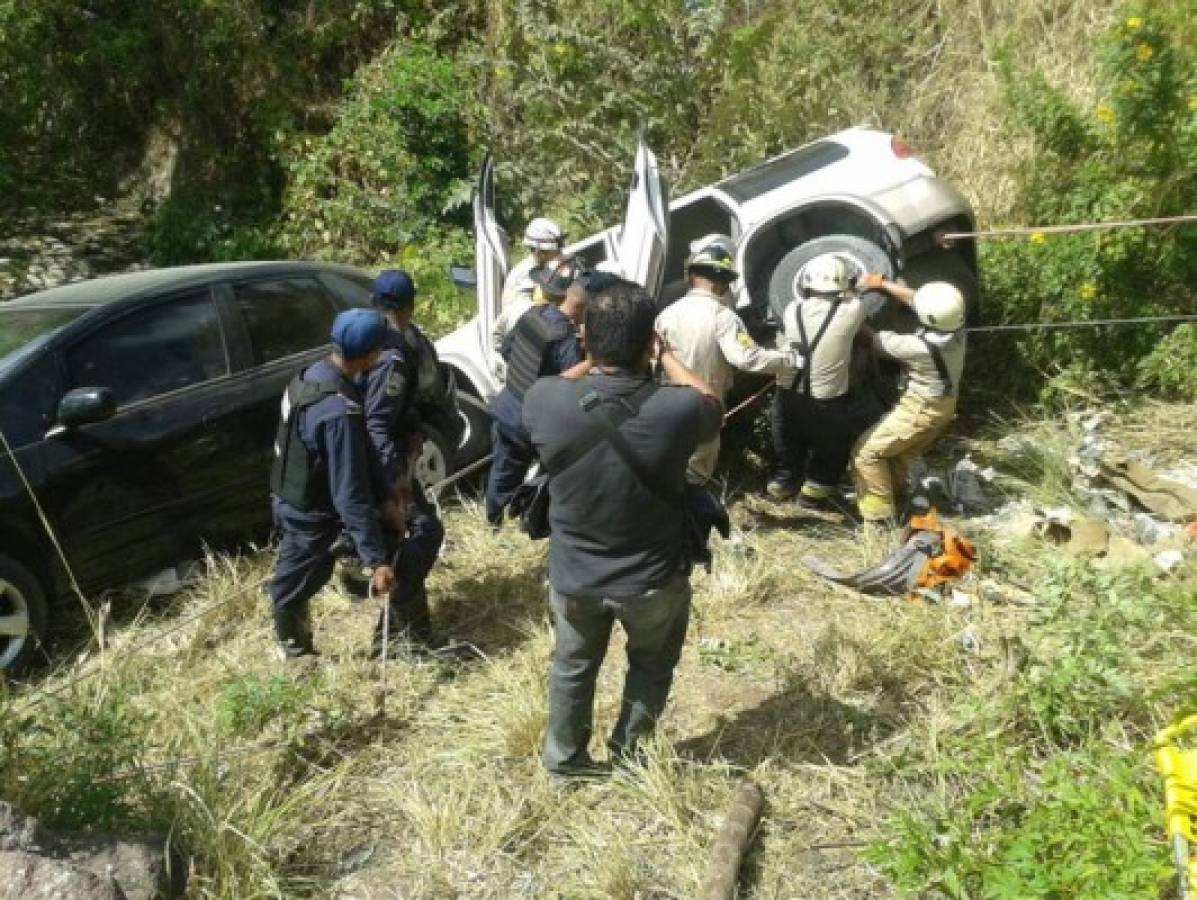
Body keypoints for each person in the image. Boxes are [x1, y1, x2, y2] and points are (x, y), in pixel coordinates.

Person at [524, 277, 723, 778]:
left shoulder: (543, 400)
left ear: (586, 338)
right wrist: (667, 358)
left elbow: (570, 382)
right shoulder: (677, 410)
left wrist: (594, 354)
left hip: (575, 578)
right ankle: (629, 756)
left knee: (572, 667)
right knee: (651, 667)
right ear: (649, 343)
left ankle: (565, 762)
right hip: (651, 579)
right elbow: (711, 406)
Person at [267, 309, 400, 658]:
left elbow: (364, 449)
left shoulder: (314, 375)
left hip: (297, 496)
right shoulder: (337, 412)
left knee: (310, 570)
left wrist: (386, 497)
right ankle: (294, 653)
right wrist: (377, 560)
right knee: (293, 584)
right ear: (370, 354)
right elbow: (349, 492)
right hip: (306, 511)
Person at [655, 233, 796, 483]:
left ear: (691, 276)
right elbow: (747, 358)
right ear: (722, 282)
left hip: (666, 405)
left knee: (672, 465)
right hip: (705, 405)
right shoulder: (723, 316)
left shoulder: (666, 315)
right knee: (696, 474)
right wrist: (788, 360)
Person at [363, 270, 448, 652]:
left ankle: (406, 631)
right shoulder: (396, 352)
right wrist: (394, 484)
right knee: (422, 533)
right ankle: (404, 638)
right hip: (384, 464)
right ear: (409, 307)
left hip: (367, 461)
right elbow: (378, 424)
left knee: (409, 538)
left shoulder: (361, 334)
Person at [767, 253, 879, 510]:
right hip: (826, 400)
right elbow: (853, 294)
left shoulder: (791, 309)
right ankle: (814, 494)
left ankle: (784, 483)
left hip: (788, 393)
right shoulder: (853, 310)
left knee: (788, 441)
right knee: (832, 447)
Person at [851, 278, 967, 524]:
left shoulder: (916, 347)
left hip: (920, 409)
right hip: (944, 405)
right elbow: (918, 300)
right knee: (900, 455)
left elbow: (870, 338)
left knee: (866, 454)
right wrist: (882, 283)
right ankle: (900, 502)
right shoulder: (957, 326)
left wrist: (848, 308)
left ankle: (879, 519)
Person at [485, 258, 587, 526]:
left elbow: (507, 350)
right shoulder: (564, 339)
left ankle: (494, 521)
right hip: (532, 424)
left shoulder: (532, 316)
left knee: (503, 471)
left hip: (506, 407)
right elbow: (572, 389)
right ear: (579, 304)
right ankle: (532, 519)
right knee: (553, 472)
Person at [500, 216, 566, 311]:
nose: (560, 255)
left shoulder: (545, 268)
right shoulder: (524, 277)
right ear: (539, 252)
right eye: (555, 252)